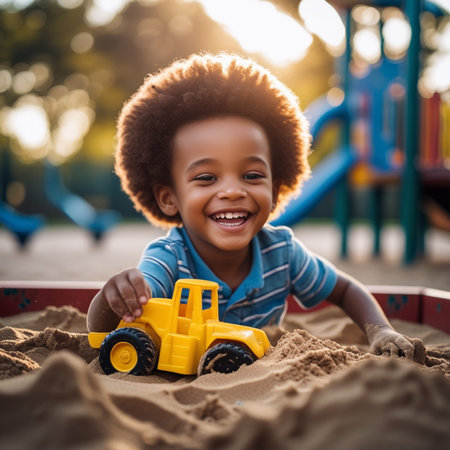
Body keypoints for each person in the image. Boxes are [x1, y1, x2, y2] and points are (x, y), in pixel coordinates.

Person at [87, 52, 423, 361]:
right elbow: (106, 322)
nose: (232, 191)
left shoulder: (282, 253)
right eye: (206, 178)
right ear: (168, 197)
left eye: (251, 175)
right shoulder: (170, 258)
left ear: (275, 191)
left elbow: (346, 289)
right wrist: (111, 297)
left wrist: (380, 329)